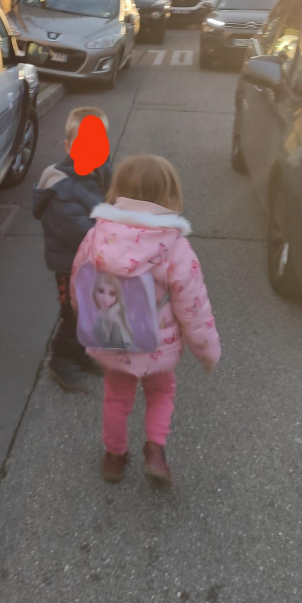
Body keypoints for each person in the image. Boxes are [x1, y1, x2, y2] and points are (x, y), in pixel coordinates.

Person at [71, 154, 220, 486]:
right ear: (169, 196)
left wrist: (83, 316)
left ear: (118, 191)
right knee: (162, 391)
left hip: (111, 336)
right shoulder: (175, 247)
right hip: (157, 344)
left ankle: (114, 457)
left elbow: (79, 281)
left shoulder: (97, 236)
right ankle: (155, 450)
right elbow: (194, 309)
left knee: (116, 396)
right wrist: (207, 352)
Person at [33, 106, 112, 392]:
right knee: (73, 313)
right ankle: (62, 358)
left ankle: (80, 353)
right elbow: (79, 232)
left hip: (91, 260)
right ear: (69, 147)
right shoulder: (62, 189)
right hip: (69, 264)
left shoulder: (98, 170)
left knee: (90, 310)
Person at [91, 274, 133, 350]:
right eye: (101, 291)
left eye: (112, 294)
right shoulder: (99, 315)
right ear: (94, 291)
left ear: (117, 296)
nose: (105, 298)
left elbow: (116, 345)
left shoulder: (114, 320)